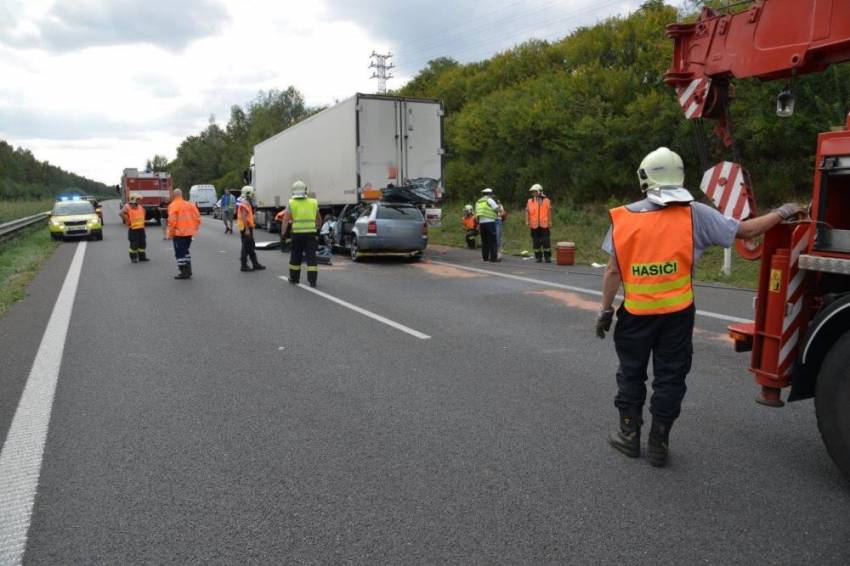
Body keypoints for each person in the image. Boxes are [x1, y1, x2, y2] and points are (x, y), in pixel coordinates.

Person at [596, 147, 805, 468]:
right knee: (670, 377)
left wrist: (606, 310)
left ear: (644, 178)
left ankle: (628, 436)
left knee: (631, 373)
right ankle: (659, 443)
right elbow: (747, 231)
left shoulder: (623, 217)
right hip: (677, 316)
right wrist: (783, 211)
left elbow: (612, 271)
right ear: (679, 176)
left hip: (636, 315)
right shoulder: (696, 214)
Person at [280, 180, 321, 287]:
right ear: (305, 190)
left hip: (297, 235)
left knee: (295, 256)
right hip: (311, 234)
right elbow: (319, 219)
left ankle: (294, 278)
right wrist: (318, 229)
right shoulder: (313, 202)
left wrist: (283, 235)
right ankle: (312, 280)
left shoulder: (291, 203)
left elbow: (285, 220)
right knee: (311, 257)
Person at [166, 188, 201, 280]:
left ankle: (183, 272)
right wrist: (194, 229)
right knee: (185, 251)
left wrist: (170, 233)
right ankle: (188, 270)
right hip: (189, 233)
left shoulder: (173, 205)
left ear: (174, 195)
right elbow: (197, 218)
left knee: (180, 253)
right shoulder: (190, 204)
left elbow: (172, 221)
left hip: (179, 233)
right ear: (181, 195)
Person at [236, 186, 266, 272]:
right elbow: (244, 216)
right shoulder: (245, 203)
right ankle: (244, 265)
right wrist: (247, 229)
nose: (253, 196)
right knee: (246, 246)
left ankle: (255, 264)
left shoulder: (246, 202)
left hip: (246, 227)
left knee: (250, 246)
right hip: (246, 227)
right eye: (252, 194)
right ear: (248, 194)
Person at [526, 184, 552, 263]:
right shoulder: (530, 201)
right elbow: (527, 211)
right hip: (534, 225)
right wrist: (527, 221)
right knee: (536, 242)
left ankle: (547, 257)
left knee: (546, 241)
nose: (533, 193)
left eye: (535, 192)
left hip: (544, 224)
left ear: (539, 191)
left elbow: (549, 212)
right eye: (533, 192)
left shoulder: (547, 201)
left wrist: (550, 221)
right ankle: (538, 257)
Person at [120, 193, 148, 263]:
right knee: (134, 244)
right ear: (133, 199)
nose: (139, 201)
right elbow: (121, 213)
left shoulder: (140, 206)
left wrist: (142, 219)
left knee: (142, 243)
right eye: (138, 199)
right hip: (133, 229)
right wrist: (128, 221)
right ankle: (133, 258)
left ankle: (142, 257)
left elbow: (144, 211)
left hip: (141, 228)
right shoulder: (127, 206)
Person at [475, 188, 500, 262]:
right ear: (490, 194)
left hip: (482, 223)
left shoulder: (478, 202)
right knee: (492, 241)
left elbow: (477, 214)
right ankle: (493, 258)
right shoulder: (490, 200)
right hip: (490, 222)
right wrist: (498, 206)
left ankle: (485, 258)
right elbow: (497, 209)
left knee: (484, 241)